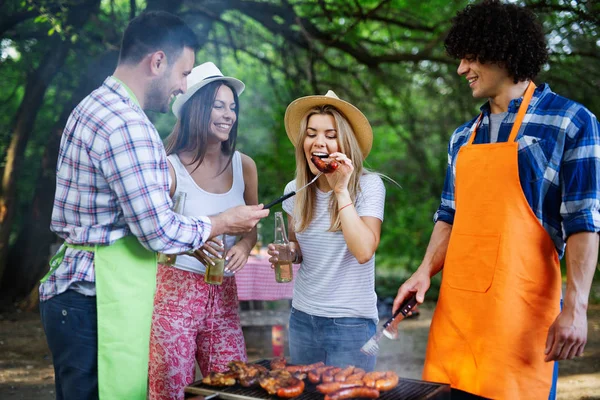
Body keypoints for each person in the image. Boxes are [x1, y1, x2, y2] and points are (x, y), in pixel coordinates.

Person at [39, 13, 268, 400]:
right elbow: (158, 231)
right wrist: (222, 221)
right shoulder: (128, 124)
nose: (182, 87)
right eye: (183, 73)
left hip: (80, 293)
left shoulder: (94, 105)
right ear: (157, 62)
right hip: (93, 297)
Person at [392, 1, 600, 399]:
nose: (461, 69)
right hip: (456, 319)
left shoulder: (570, 122)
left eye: (471, 57)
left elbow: (583, 222)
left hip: (519, 320)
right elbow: (449, 215)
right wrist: (423, 272)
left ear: (502, 52)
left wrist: (575, 307)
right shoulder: (462, 137)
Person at [148, 62, 256, 400]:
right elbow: (153, 237)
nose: (228, 115)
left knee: (234, 389)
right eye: (218, 105)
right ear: (195, 108)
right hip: (174, 296)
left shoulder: (244, 166)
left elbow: (250, 227)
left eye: (232, 107)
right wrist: (188, 244)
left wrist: (244, 246)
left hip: (223, 295)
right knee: (171, 391)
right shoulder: (168, 167)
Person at [267, 90, 386, 371]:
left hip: (351, 324)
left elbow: (364, 251)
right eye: (311, 133)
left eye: (330, 135)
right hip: (302, 318)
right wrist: (290, 253)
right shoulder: (293, 191)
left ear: (344, 142)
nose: (318, 142)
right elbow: (300, 251)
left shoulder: (368, 186)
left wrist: (341, 190)